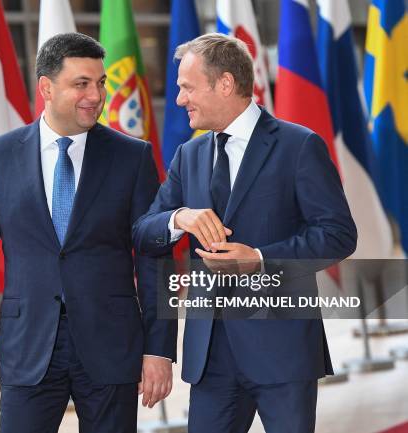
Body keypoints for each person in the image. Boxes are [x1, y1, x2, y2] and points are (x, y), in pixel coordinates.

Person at [0, 32, 177, 433]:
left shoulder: (132, 156)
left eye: (101, 82)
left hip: (111, 345)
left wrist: (159, 350)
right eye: (81, 84)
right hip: (28, 345)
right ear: (46, 88)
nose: (96, 95)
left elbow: (153, 258)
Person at [132, 33, 357, 433]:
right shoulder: (190, 155)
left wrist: (258, 258)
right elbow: (144, 232)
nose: (180, 99)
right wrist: (179, 217)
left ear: (225, 84)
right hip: (210, 358)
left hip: (282, 353)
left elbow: (338, 234)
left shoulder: (299, 146)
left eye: (187, 87)